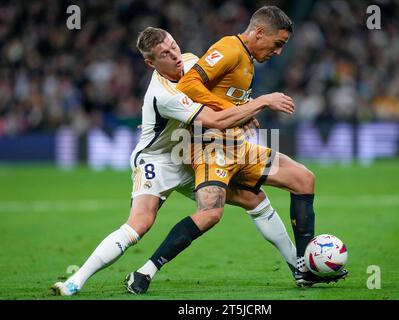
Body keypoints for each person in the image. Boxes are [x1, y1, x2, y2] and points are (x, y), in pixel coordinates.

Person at [52, 27, 298, 296]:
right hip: (157, 161)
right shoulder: (164, 92)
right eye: (165, 54)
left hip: (190, 154)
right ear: (151, 63)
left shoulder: (192, 62)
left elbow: (218, 98)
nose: (175, 55)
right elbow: (214, 120)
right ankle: (76, 281)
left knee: (254, 198)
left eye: (173, 46)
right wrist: (258, 104)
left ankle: (297, 267)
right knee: (140, 224)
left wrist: (241, 108)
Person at [127, 6, 348, 294]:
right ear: (258, 33)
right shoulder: (230, 48)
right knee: (209, 214)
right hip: (208, 148)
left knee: (303, 179)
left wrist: (241, 108)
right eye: (277, 44)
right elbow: (189, 86)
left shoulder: (246, 58)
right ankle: (146, 270)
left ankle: (305, 267)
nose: (278, 52)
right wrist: (239, 108)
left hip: (235, 145)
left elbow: (224, 95)